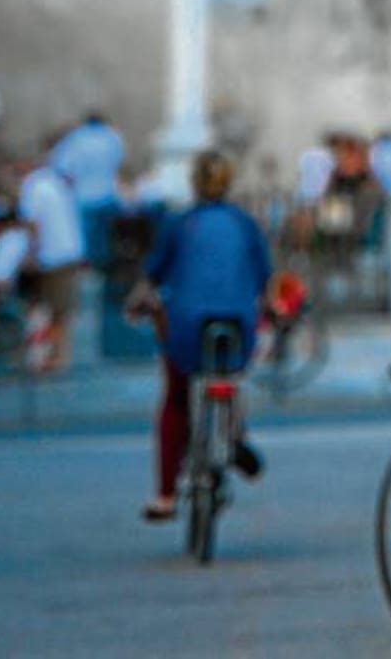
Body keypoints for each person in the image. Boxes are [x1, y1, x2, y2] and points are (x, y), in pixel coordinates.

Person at [133, 149, 271, 522]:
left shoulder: (180, 223)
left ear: (194, 182)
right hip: (237, 324)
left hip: (186, 326)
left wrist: (139, 301)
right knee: (231, 372)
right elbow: (264, 278)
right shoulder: (245, 223)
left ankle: (165, 495)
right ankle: (235, 434)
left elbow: (154, 275)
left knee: (176, 396)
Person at [18, 140, 85, 373]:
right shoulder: (54, 181)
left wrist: (31, 254)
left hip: (52, 256)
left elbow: (33, 222)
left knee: (51, 310)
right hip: (68, 253)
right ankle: (57, 357)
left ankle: (51, 359)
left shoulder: (33, 185)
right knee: (61, 311)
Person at [50, 111, 125, 269]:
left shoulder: (76, 138)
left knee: (86, 245)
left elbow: (61, 166)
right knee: (106, 241)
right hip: (108, 196)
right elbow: (119, 162)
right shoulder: (112, 137)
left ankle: (91, 275)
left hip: (84, 199)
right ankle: (105, 274)